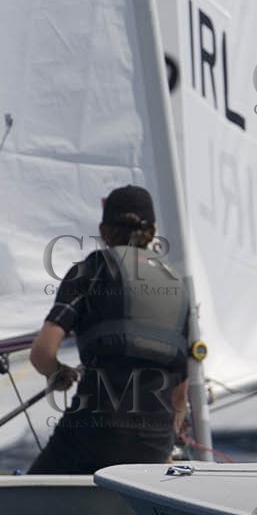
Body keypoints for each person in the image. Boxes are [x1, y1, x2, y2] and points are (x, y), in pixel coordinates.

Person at [27, 184, 193, 474]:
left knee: (30, 495)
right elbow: (180, 395)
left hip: (93, 435)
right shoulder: (176, 285)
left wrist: (57, 373)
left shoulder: (88, 272)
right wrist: (165, 448)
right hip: (153, 445)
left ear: (104, 230)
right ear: (153, 230)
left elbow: (42, 353)